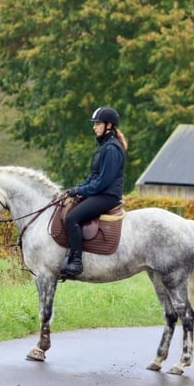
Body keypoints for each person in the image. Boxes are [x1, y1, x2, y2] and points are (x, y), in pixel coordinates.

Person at [60, 106, 128, 277]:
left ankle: (76, 262)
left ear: (109, 126)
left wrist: (81, 190)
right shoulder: (103, 146)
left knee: (72, 217)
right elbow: (93, 177)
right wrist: (77, 189)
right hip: (101, 193)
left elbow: (103, 182)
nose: (94, 127)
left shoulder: (112, 149)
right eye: (95, 124)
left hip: (108, 196)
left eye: (97, 124)